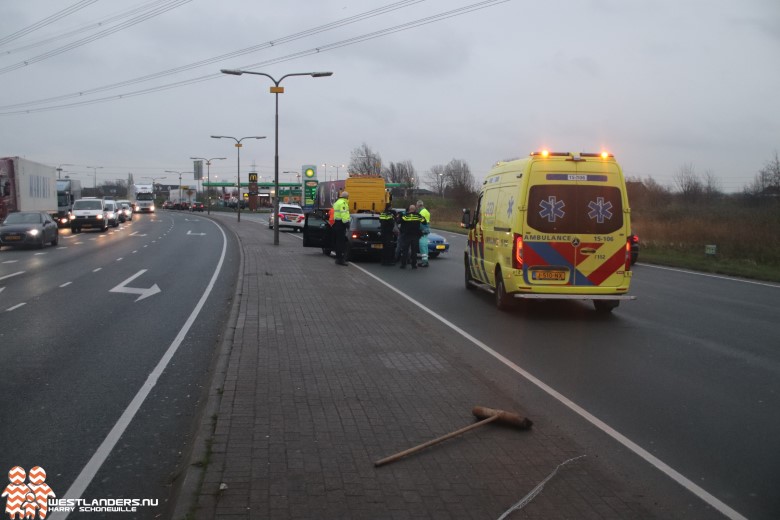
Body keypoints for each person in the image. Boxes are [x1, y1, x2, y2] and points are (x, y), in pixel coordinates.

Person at [398, 204, 425, 269]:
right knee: (414, 251)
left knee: (405, 250)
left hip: (407, 235)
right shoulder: (418, 216)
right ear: (415, 209)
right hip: (415, 236)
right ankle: (414, 265)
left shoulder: (406, 216)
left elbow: (399, 221)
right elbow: (424, 222)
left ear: (409, 209)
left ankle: (403, 264)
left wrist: (400, 216)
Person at [332, 191, 350, 266]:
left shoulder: (337, 202)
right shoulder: (343, 203)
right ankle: (341, 260)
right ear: (346, 197)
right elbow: (344, 214)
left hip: (336, 223)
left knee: (338, 242)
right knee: (341, 243)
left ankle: (338, 258)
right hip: (341, 224)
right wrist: (347, 224)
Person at [416, 199, 431, 267]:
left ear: (419, 205)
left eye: (416, 205)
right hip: (426, 229)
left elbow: (420, 223)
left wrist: (418, 230)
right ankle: (425, 261)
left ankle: (424, 262)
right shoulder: (426, 211)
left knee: (422, 246)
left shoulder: (421, 212)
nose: (416, 207)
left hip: (423, 231)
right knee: (425, 246)